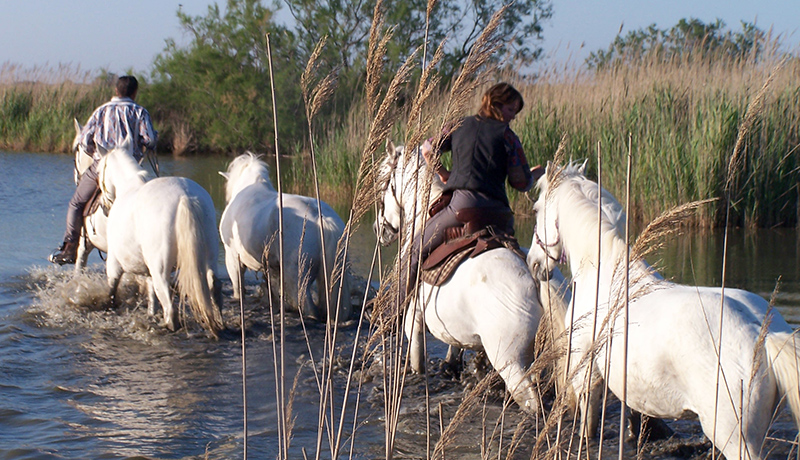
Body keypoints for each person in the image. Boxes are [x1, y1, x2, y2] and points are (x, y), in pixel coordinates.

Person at [402, 82, 543, 300]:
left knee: (413, 251)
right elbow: (521, 183)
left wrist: (443, 173)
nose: (513, 117)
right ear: (495, 104)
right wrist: (535, 174)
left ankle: (391, 316)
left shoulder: (458, 125)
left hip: (463, 207)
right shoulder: (509, 137)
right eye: (510, 110)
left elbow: (427, 149)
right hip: (500, 215)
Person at [49, 75, 157, 265]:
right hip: (129, 168)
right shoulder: (140, 112)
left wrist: (97, 155)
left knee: (75, 204)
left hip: (103, 166)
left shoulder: (101, 111)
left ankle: (69, 248)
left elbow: (84, 140)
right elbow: (150, 140)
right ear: (134, 92)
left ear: (116, 91)